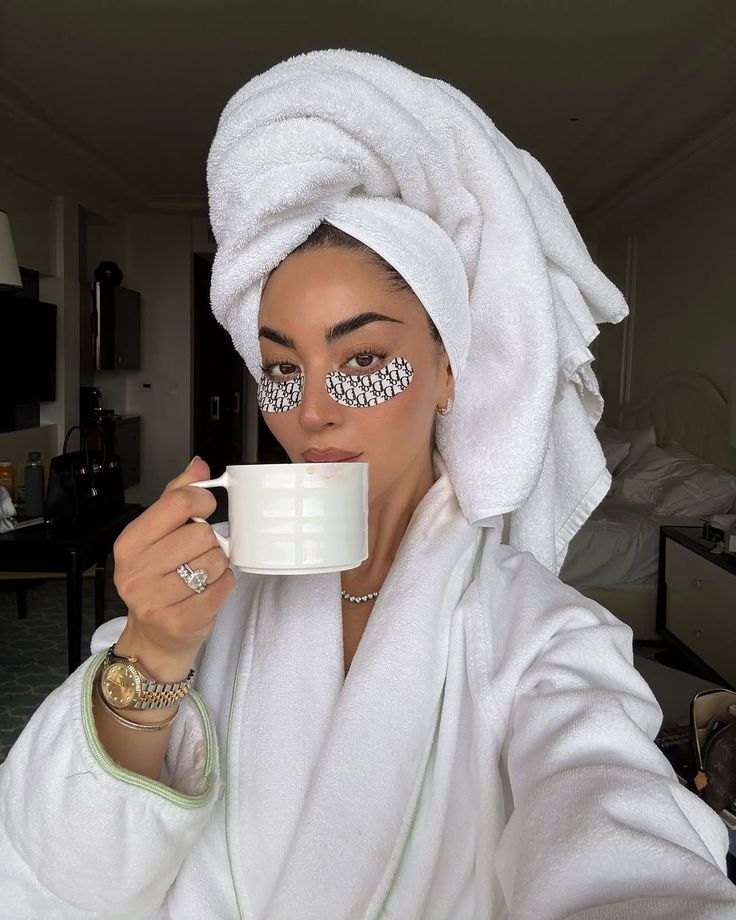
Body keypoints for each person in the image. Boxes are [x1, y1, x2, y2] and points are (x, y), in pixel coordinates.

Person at [2, 50, 735, 920]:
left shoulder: (541, 634)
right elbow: (48, 873)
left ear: (449, 372)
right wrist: (151, 657)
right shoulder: (202, 593)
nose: (309, 410)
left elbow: (615, 827)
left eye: (363, 360)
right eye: (281, 368)